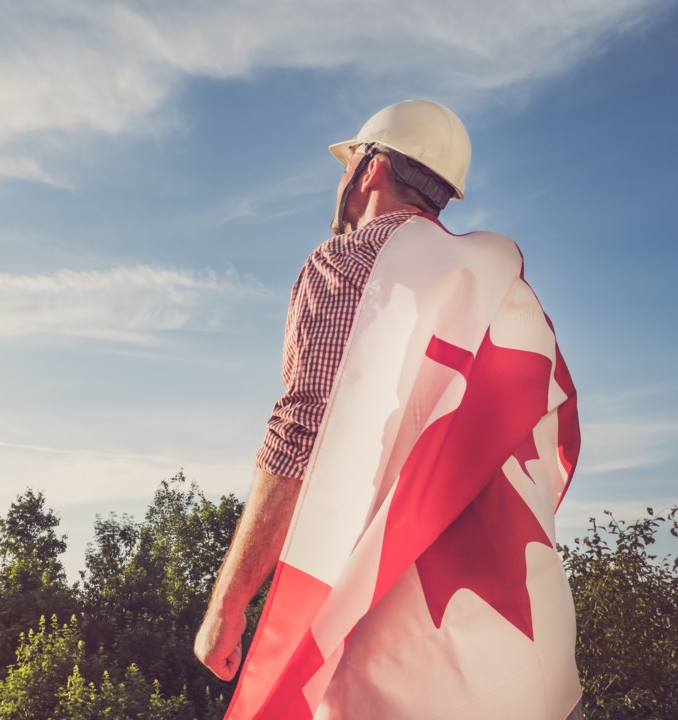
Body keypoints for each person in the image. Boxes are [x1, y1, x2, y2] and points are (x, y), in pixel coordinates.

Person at [195, 100, 583, 720]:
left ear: (370, 169)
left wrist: (229, 602)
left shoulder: (348, 266)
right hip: (529, 650)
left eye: (348, 163)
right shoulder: (508, 294)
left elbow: (301, 434)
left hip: (407, 663)